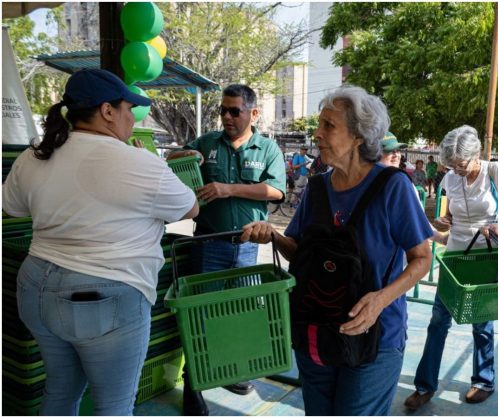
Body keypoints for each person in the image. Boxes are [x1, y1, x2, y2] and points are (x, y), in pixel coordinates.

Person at [2, 69, 199, 415]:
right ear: (107, 111)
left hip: (35, 289)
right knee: (113, 407)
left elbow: (13, 207)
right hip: (106, 298)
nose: (131, 117)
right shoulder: (136, 160)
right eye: (128, 108)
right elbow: (190, 208)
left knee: (61, 391)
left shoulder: (37, 152)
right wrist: (155, 166)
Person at [241, 85, 432, 415]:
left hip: (373, 336)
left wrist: (380, 300)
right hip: (316, 329)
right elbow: (301, 252)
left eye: (329, 125)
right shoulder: (317, 188)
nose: (317, 134)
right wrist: (272, 237)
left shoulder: (392, 186)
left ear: (359, 136)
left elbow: (422, 257)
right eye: (319, 124)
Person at [166, 83, 285, 415]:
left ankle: (230, 370)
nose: (228, 117)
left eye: (235, 111)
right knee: (201, 316)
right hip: (208, 244)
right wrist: (184, 155)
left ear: (253, 113)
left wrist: (228, 189)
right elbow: (172, 158)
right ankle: (194, 384)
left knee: (240, 314)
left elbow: (276, 192)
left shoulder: (267, 148)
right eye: (223, 110)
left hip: (247, 248)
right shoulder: (207, 143)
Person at [404, 125, 498, 411]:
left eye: (460, 165)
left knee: (481, 319)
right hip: (457, 253)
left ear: (476, 156)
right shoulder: (450, 177)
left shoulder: (495, 172)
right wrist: (442, 222)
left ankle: (484, 380)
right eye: (452, 166)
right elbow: (450, 216)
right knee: (438, 320)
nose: (456, 171)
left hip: (486, 253)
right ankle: (424, 386)